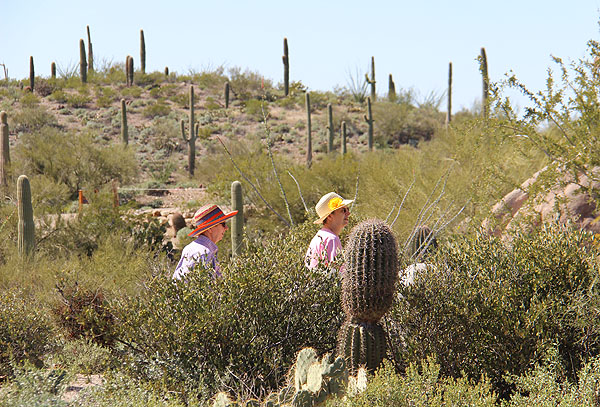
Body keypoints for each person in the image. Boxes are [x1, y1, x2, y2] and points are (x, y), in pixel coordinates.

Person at [173, 204, 237, 280]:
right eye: (223, 224)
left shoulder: (191, 248)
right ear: (210, 228)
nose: (226, 228)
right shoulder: (204, 253)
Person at [305, 192, 353, 270]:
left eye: (347, 209)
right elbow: (336, 274)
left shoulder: (322, 236)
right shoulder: (331, 239)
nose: (348, 213)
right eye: (343, 210)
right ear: (330, 216)